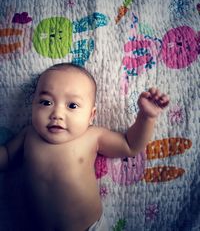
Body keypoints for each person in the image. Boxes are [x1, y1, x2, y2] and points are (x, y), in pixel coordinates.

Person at [0, 63, 170, 231]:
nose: (57, 114)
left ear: (91, 115)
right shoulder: (29, 135)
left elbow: (130, 145)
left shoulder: (92, 136)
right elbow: (6, 157)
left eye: (72, 106)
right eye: (46, 102)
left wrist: (146, 117)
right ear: (33, 105)